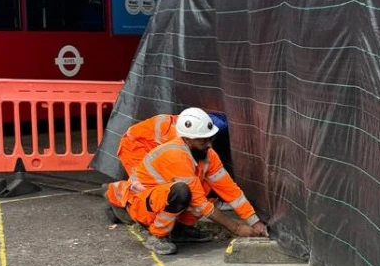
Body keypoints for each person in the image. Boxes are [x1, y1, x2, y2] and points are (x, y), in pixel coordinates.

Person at [106, 107, 267, 255]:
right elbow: (200, 203)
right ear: (188, 139)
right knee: (181, 192)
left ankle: (180, 230)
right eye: (203, 141)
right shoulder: (176, 155)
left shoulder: (207, 153)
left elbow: (229, 189)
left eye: (210, 139)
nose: (209, 145)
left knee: (208, 189)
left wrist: (255, 222)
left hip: (156, 199)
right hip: (144, 204)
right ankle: (157, 235)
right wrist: (237, 228)